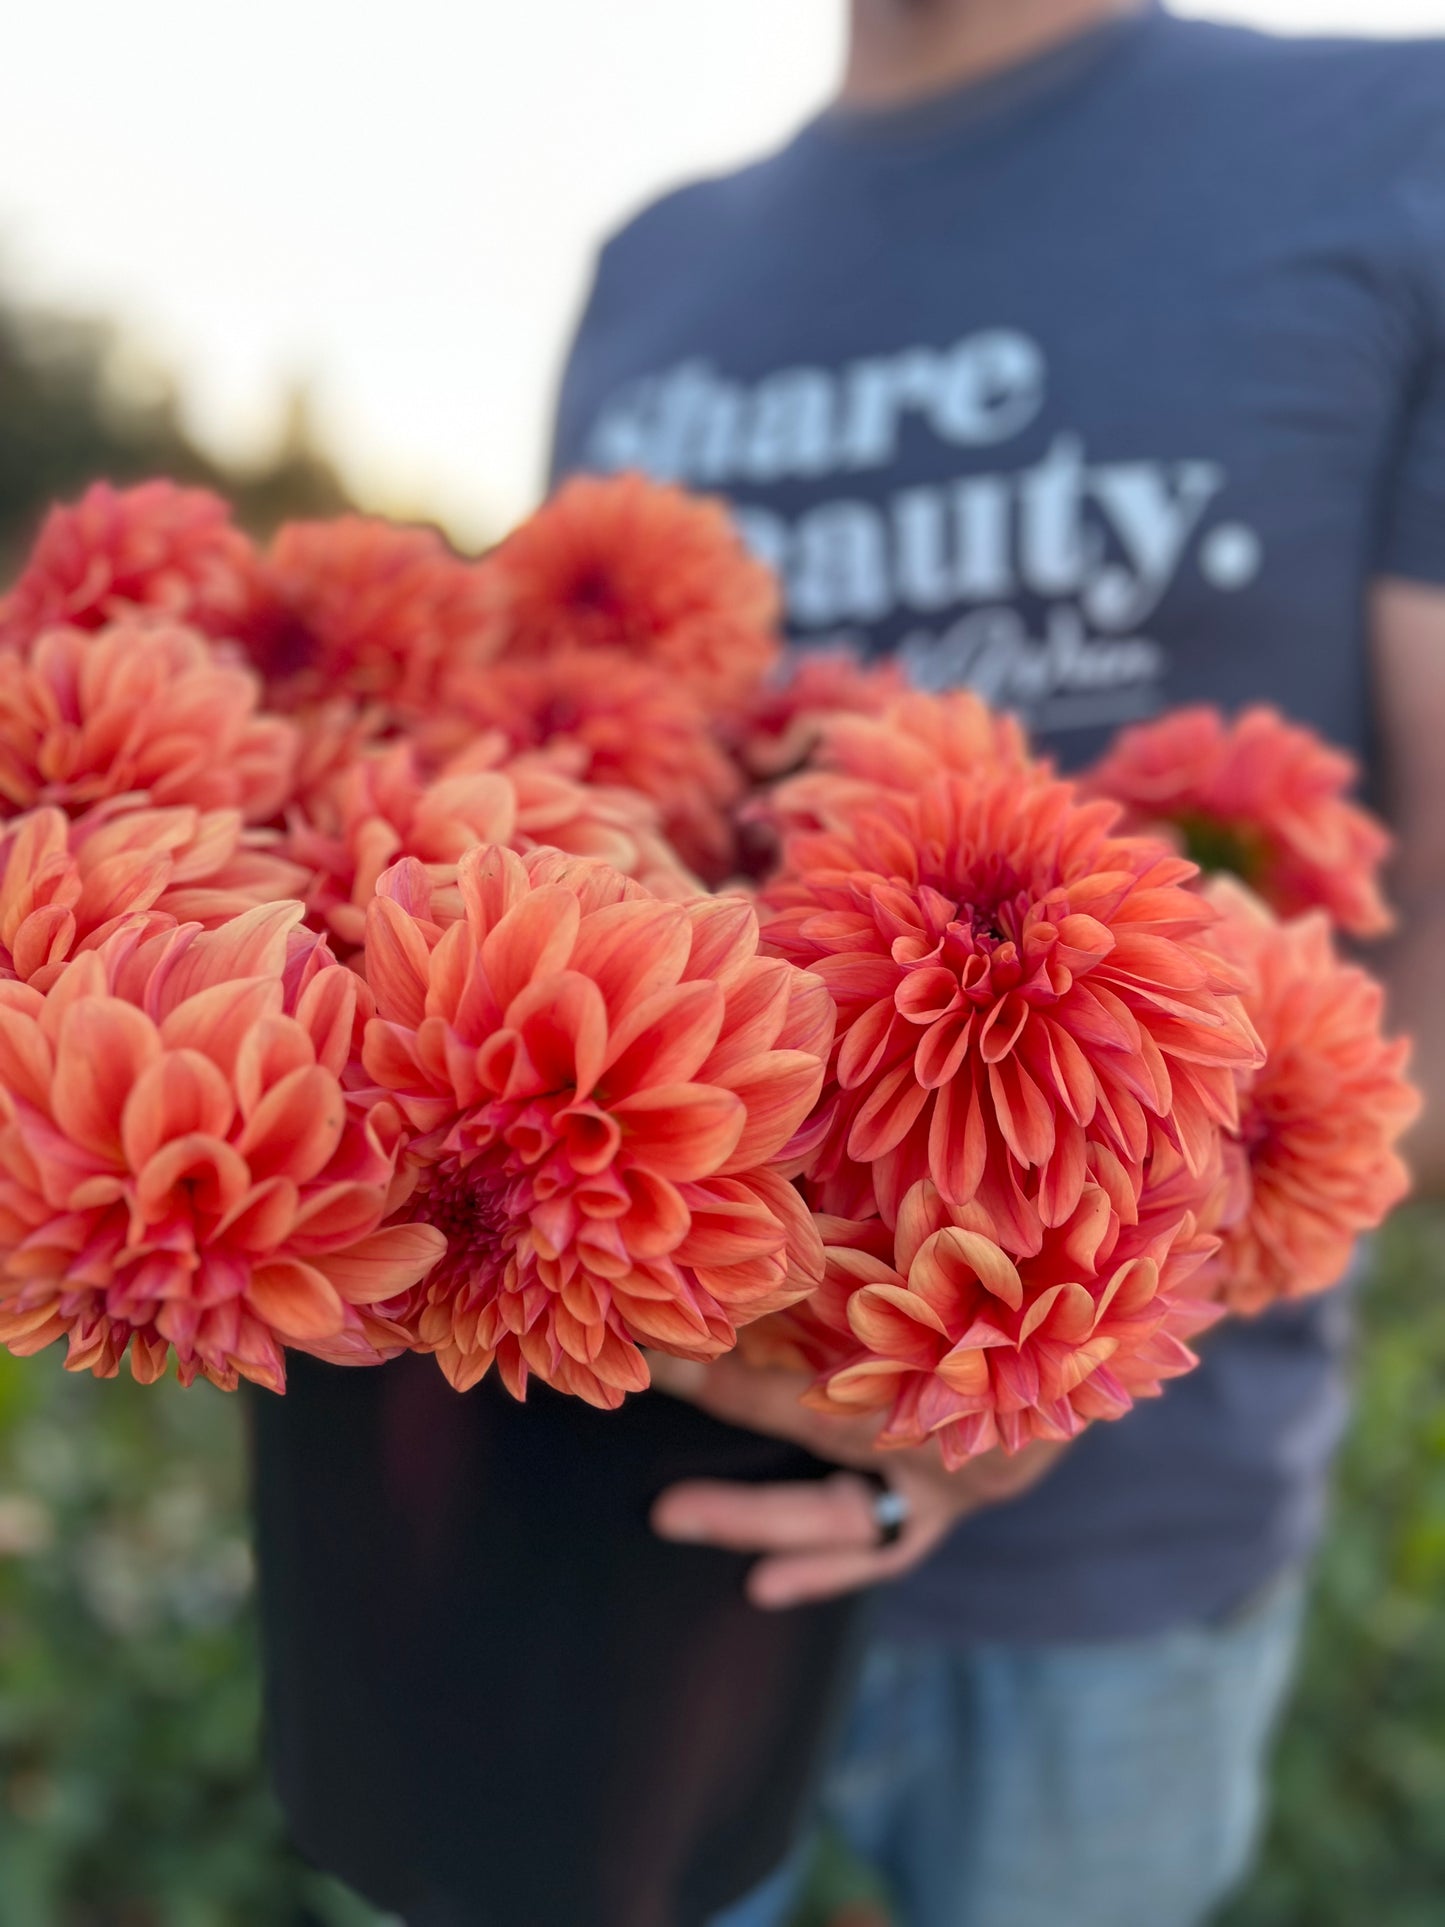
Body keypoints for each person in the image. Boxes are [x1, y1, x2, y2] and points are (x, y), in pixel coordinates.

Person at [548, 2, 1445, 1923]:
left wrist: (1056, 1331)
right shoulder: (654, 269)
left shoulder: (1402, 136)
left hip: (1116, 1574)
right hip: (612, 1510)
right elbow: (562, 770)